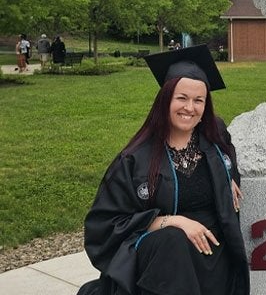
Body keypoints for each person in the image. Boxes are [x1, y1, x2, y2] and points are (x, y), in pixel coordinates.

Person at [79, 45, 250, 295]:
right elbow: (104, 225)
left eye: (198, 100)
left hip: (212, 254)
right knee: (173, 241)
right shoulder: (135, 160)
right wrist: (174, 222)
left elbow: (228, 148)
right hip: (162, 259)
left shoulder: (213, 137)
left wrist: (230, 175)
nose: (189, 108)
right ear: (165, 99)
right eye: (181, 98)